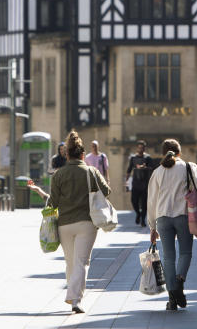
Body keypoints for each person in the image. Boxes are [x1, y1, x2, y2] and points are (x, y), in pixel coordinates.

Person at [47, 131, 111, 314]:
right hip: (87, 223)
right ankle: (75, 300)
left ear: (66, 155)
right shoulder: (91, 171)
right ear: (83, 155)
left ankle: (73, 295)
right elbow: (107, 191)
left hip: (64, 224)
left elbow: (53, 202)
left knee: (70, 262)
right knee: (82, 262)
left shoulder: (59, 175)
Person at [147, 138, 197, 311]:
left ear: (163, 153)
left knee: (168, 257)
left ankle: (172, 300)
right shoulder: (189, 167)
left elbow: (151, 201)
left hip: (163, 218)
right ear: (179, 152)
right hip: (183, 216)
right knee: (185, 252)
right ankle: (179, 282)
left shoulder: (157, 172)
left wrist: (152, 227)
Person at [125, 140, 153, 227]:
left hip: (145, 184)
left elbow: (152, 169)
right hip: (135, 184)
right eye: (139, 147)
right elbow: (129, 170)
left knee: (144, 203)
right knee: (134, 201)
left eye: (142, 147)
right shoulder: (133, 158)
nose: (141, 149)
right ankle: (138, 213)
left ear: (144, 148)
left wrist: (145, 167)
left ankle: (143, 220)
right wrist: (126, 182)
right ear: (137, 148)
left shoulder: (148, 158)